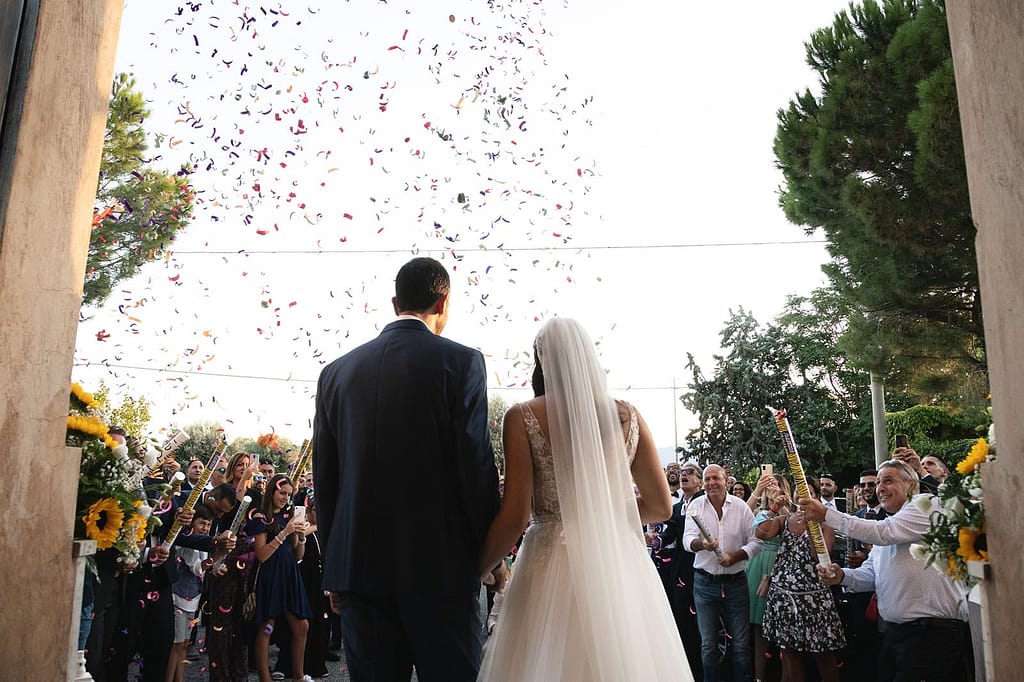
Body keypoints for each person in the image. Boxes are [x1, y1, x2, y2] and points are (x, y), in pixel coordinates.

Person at [313, 256, 501, 682]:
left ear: (396, 302)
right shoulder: (462, 363)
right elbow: (475, 466)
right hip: (442, 569)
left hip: (359, 570)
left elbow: (326, 481)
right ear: (444, 302)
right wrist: (491, 553)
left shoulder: (335, 374)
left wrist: (335, 568)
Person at [476, 317, 690, 680]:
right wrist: (602, 515)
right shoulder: (627, 416)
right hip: (617, 561)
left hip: (547, 562)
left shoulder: (523, 416)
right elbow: (660, 506)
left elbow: (515, 517)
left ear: (542, 359)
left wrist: (479, 564)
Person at [801, 459, 974, 682]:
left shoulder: (927, 505)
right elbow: (871, 575)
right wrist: (841, 575)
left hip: (931, 636)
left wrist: (827, 515)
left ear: (911, 485)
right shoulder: (891, 526)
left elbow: (883, 533)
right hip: (896, 635)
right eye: (879, 482)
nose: (880, 488)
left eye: (888, 481)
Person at [759, 476, 845, 682]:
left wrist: (812, 525)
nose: (802, 495)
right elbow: (761, 534)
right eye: (799, 491)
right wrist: (773, 509)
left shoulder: (826, 523)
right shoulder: (783, 520)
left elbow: (821, 556)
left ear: (815, 497)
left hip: (814, 598)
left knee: (823, 654)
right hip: (784, 596)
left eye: (809, 493)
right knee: (789, 655)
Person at [683, 463, 763, 682]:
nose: (711, 483)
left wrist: (734, 557)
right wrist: (703, 545)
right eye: (707, 479)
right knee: (708, 645)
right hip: (705, 584)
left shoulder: (741, 507)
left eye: (715, 478)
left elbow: (757, 543)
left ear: (726, 480)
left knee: (740, 644)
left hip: (736, 583)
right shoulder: (695, 507)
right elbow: (687, 540)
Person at [247, 474, 313, 682]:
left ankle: (299, 675)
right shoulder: (259, 517)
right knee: (267, 625)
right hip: (269, 574)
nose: (285, 498)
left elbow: (298, 554)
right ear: (271, 491)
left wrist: (301, 536)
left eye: (289, 494)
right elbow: (262, 554)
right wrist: (285, 532)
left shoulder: (288, 515)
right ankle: (265, 678)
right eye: (282, 493)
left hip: (289, 572)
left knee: (302, 625)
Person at [747, 474, 791, 682]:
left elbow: (791, 525)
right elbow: (745, 518)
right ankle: (758, 676)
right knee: (759, 628)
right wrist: (759, 493)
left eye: (776, 485)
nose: (772, 488)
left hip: (781, 565)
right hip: (758, 565)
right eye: (769, 485)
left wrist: (780, 504)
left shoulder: (790, 509)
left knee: (784, 628)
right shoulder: (759, 512)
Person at [167, 503, 216, 682]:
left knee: (184, 644)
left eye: (209, 525)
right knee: (177, 644)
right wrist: (219, 554)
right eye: (202, 524)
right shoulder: (188, 544)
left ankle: (179, 679)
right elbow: (198, 568)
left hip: (192, 599)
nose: (205, 529)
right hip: (179, 597)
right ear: (192, 524)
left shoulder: (202, 544)